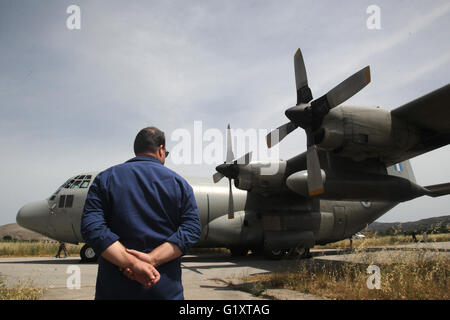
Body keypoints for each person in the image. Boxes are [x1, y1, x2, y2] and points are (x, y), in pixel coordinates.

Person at [81, 126, 202, 300]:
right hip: (165, 292)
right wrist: (151, 260)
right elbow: (191, 230)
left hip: (113, 293)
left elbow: (92, 228)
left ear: (136, 150)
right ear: (161, 149)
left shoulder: (105, 179)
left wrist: (132, 263)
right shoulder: (180, 184)